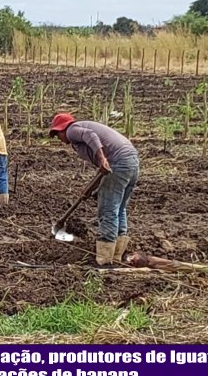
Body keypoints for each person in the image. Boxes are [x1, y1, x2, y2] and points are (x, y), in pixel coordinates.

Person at [49, 113, 140, 265]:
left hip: (117, 163)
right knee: (119, 208)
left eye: (58, 134)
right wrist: (90, 189)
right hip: (132, 162)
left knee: (108, 210)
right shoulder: (84, 127)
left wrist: (102, 158)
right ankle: (117, 255)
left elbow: (90, 136)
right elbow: (102, 170)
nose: (59, 139)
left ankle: (105, 260)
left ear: (62, 129)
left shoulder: (72, 130)